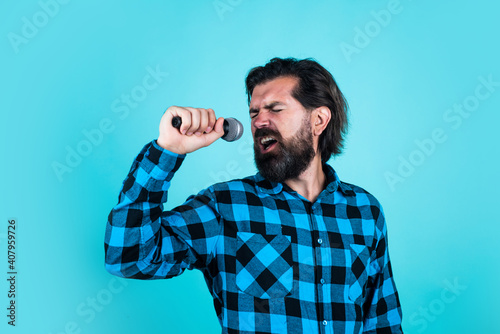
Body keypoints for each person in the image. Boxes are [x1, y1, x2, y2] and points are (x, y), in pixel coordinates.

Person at [104, 57, 403, 333]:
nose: (260, 122)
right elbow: (128, 257)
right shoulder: (225, 207)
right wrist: (166, 151)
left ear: (318, 121)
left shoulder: (365, 212)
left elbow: (383, 324)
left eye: (275, 109)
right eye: (254, 112)